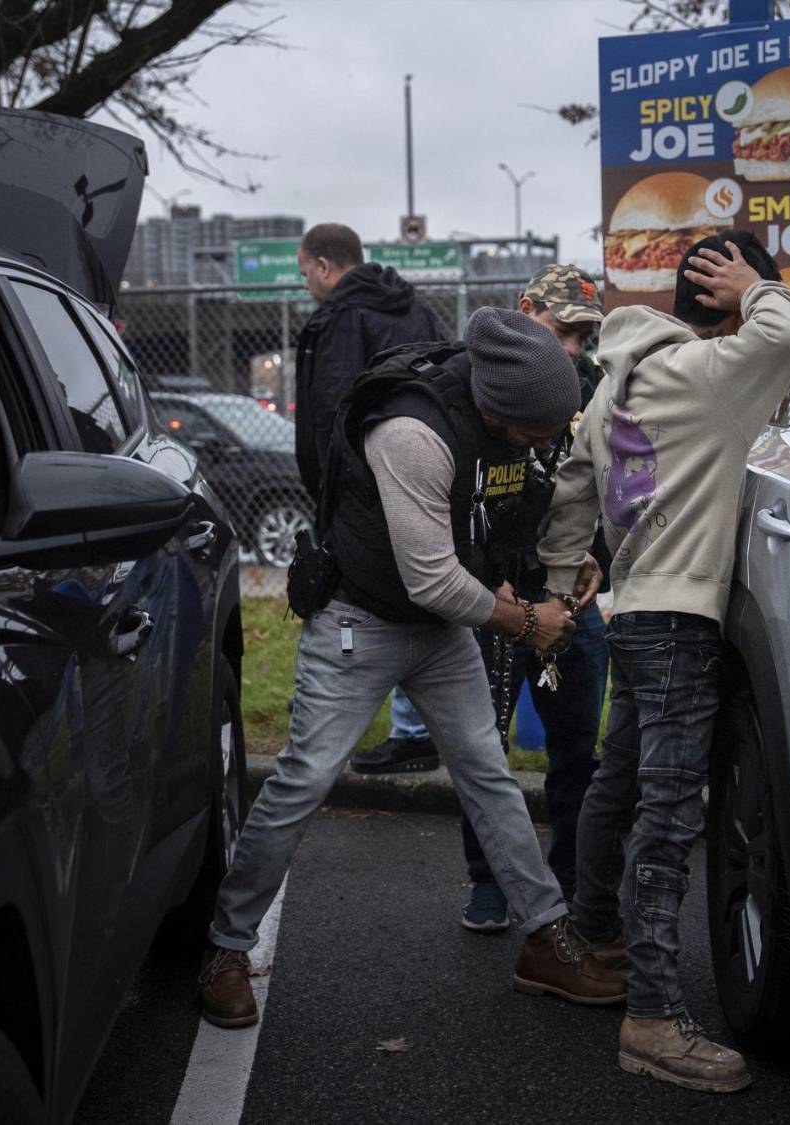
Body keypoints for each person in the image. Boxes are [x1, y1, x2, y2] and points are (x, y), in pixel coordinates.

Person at [200, 308, 626, 1029]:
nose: (545, 444)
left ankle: (544, 939)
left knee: (488, 775)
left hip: (440, 630)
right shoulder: (412, 433)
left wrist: (568, 559)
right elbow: (431, 578)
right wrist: (527, 621)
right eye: (538, 432)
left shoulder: (505, 429)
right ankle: (226, 947)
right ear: (500, 409)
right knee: (303, 778)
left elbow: (506, 515)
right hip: (358, 621)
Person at [537, 232, 790, 1093]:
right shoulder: (713, 373)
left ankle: (593, 938)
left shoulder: (613, 383)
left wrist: (563, 576)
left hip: (633, 613)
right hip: (682, 620)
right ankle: (654, 1016)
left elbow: (570, 494)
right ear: (726, 298)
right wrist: (761, 284)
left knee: (616, 783)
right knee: (666, 818)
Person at [355, 266, 611, 934]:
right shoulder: (483, 389)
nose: (574, 349)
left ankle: (571, 884)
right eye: (564, 331)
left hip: (568, 591)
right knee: (483, 749)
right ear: (526, 310)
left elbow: (599, 488)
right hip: (496, 592)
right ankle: (489, 882)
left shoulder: (595, 388)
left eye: (585, 337)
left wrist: (591, 561)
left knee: (578, 749)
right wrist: (499, 588)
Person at [292, 222, 447, 502]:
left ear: (323, 267)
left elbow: (331, 408)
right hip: (428, 470)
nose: (306, 284)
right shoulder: (416, 307)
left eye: (306, 273)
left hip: (356, 492)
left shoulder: (337, 319)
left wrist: (329, 487)